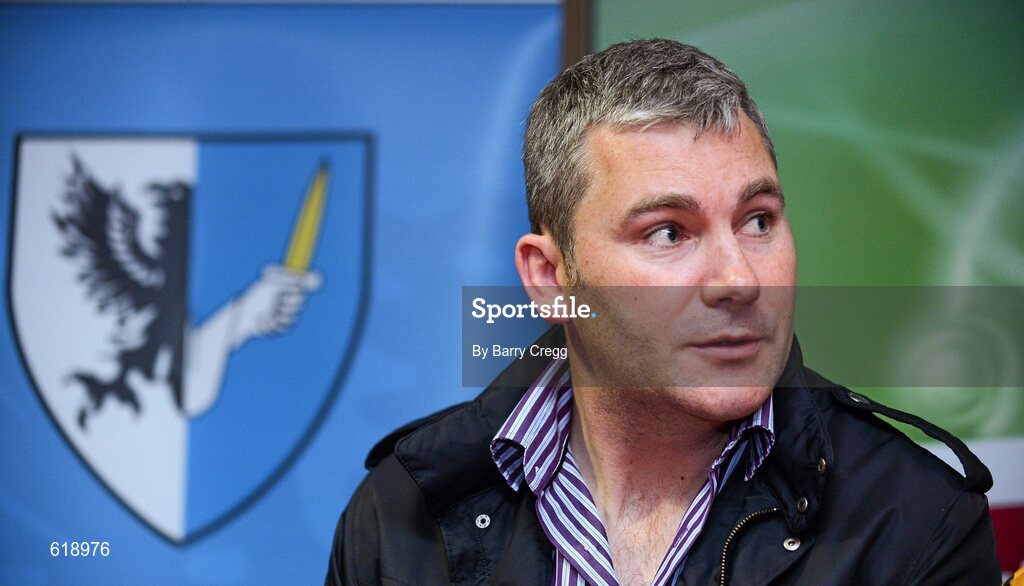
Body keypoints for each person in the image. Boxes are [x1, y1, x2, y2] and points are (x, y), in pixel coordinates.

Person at [325, 39, 1001, 585]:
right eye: (669, 233)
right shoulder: (402, 512)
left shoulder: (917, 520)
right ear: (550, 276)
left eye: (759, 221)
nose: (739, 278)